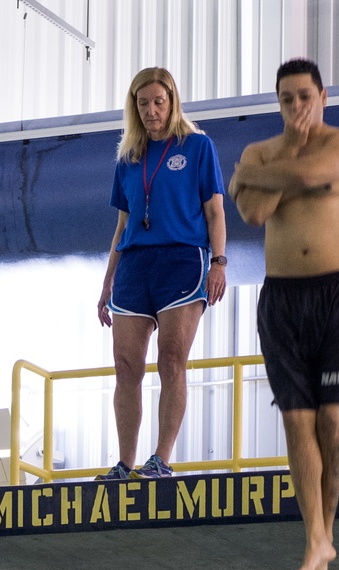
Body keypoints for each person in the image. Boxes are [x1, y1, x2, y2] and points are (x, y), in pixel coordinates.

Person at [228, 58, 339, 570]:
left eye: (304, 97)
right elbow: (254, 215)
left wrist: (251, 176)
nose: (296, 108)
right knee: (295, 419)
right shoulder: (261, 151)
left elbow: (312, 175)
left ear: (323, 96)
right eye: (286, 100)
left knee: (331, 418)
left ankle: (327, 528)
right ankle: (314, 537)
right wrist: (278, 166)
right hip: (283, 298)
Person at [97, 66, 227, 480]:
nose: (151, 111)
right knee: (125, 364)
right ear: (133, 108)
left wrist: (219, 262)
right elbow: (122, 224)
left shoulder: (198, 147)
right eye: (143, 103)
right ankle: (124, 463)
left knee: (171, 357)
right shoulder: (128, 157)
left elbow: (215, 211)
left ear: (172, 101)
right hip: (135, 263)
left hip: (182, 261)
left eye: (158, 101)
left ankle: (161, 459)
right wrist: (106, 283)